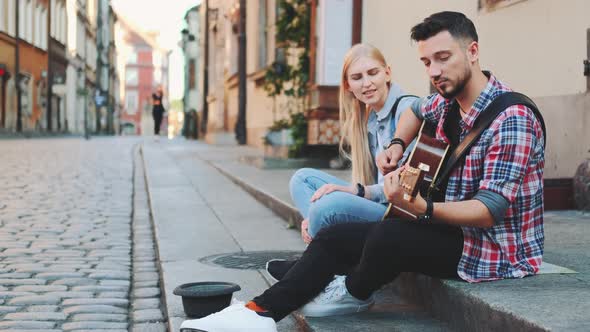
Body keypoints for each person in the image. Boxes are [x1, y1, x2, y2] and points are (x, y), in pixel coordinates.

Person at [180, 11, 545, 331]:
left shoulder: (510, 118)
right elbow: (416, 113)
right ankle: (256, 313)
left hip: (494, 249)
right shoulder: (447, 101)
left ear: (473, 52)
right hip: (450, 229)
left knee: (389, 235)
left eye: (443, 58)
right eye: (425, 62)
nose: (434, 71)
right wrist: (398, 145)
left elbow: (488, 211)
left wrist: (424, 210)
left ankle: (351, 290)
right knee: (336, 235)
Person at [289, 43, 418, 244]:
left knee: (327, 206)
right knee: (302, 179)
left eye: (373, 73)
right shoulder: (369, 119)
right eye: (357, 77)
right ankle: (321, 252)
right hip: (377, 201)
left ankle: (320, 263)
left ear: (387, 73)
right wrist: (312, 218)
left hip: (398, 212)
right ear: (348, 85)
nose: (366, 83)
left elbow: (405, 188)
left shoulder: (407, 110)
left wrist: (356, 191)